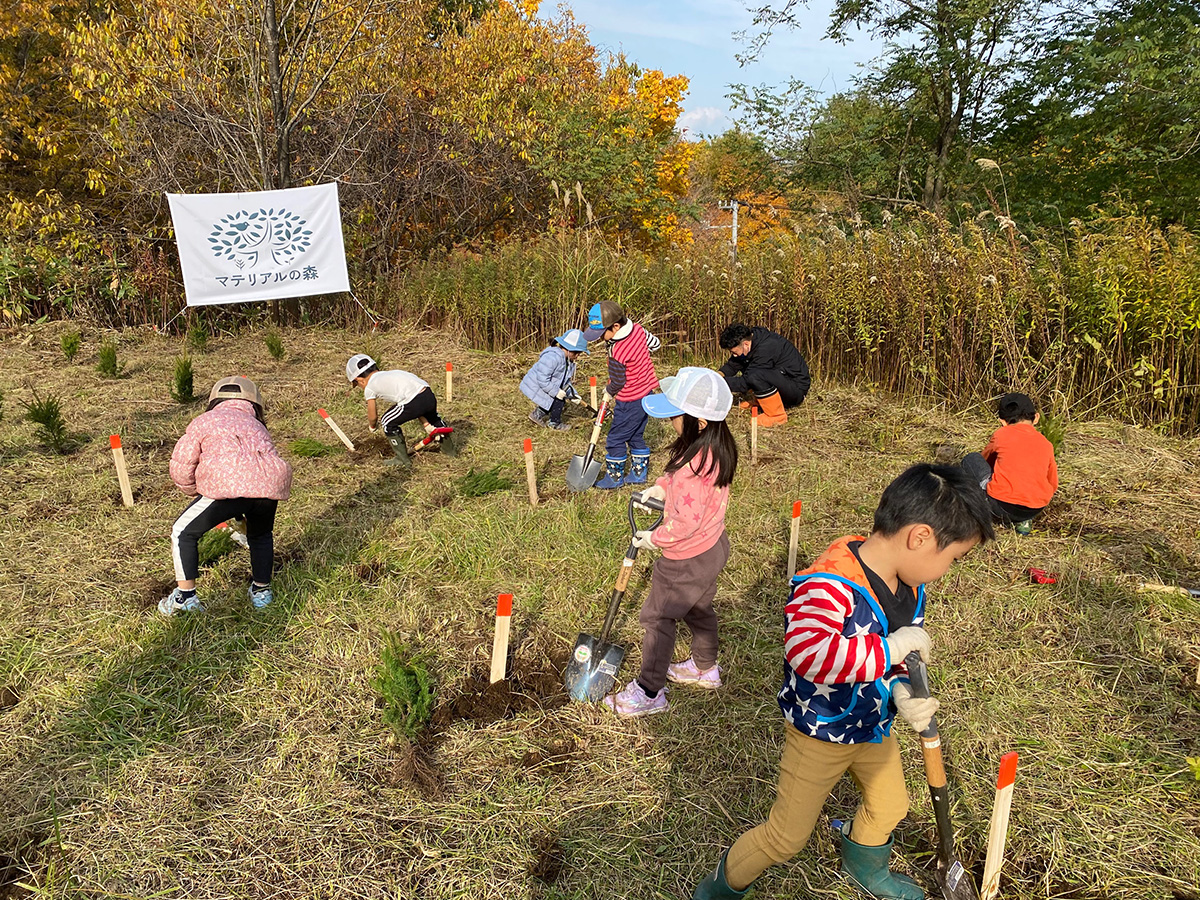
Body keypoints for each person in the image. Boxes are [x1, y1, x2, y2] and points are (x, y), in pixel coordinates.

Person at [691, 464, 994, 900]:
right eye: (953, 558)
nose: (948, 569)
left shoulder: (908, 584)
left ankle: (865, 867)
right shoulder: (829, 584)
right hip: (822, 732)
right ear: (920, 537)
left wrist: (903, 692)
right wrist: (890, 650)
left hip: (871, 726)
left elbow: (901, 661)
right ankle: (720, 888)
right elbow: (809, 653)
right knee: (786, 837)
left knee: (890, 805)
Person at [603, 368, 738, 718]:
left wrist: (655, 538)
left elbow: (686, 522)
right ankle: (705, 668)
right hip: (712, 549)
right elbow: (676, 477)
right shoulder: (709, 450)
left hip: (685, 559)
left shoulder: (697, 466)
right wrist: (661, 487)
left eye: (677, 414)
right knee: (698, 608)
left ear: (702, 421)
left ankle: (650, 691)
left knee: (657, 618)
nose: (672, 420)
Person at [160, 377, 293, 616]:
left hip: (225, 485)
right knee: (261, 534)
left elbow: (181, 465)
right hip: (268, 487)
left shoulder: (203, 421)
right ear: (254, 403)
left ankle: (185, 597)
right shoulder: (256, 425)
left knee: (182, 531)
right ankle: (262, 592)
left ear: (215, 401)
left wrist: (194, 490)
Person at [582, 300, 660, 489]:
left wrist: (608, 392)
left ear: (616, 327)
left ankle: (614, 478)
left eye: (602, 334)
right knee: (635, 435)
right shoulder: (639, 330)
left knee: (615, 438)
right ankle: (638, 474)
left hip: (630, 399)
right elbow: (655, 344)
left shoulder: (618, 351)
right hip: (647, 393)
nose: (601, 339)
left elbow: (618, 382)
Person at [961, 392, 1058, 535]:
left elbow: (984, 460)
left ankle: (970, 511)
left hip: (1000, 506)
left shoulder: (1001, 434)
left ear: (1003, 422)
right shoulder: (1047, 444)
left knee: (971, 459)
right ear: (1036, 418)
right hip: (1035, 508)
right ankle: (1023, 522)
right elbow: (1053, 482)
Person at [346, 353, 449, 464]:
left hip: (413, 400)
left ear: (360, 380)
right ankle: (450, 451)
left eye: (358, 385)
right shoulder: (390, 375)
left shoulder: (370, 387)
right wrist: (426, 423)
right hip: (428, 394)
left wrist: (372, 426)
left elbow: (373, 416)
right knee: (434, 419)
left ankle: (402, 459)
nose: (361, 387)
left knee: (387, 421)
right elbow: (415, 397)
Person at [718, 323, 810, 427]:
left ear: (746, 344)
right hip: (780, 379)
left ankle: (777, 415)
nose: (733, 355)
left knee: (755, 376)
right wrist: (717, 375)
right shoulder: (750, 341)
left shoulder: (767, 347)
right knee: (751, 368)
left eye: (733, 352)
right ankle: (761, 401)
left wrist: (720, 383)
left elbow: (746, 382)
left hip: (796, 389)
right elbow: (733, 364)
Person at [519, 328, 589, 431]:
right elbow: (542, 379)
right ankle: (554, 423)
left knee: (558, 398)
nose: (577, 356)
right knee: (558, 401)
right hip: (537, 384)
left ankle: (536, 415)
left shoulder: (567, 362)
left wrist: (573, 394)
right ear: (569, 349)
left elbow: (565, 382)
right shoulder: (552, 358)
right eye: (576, 353)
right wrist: (556, 392)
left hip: (548, 385)